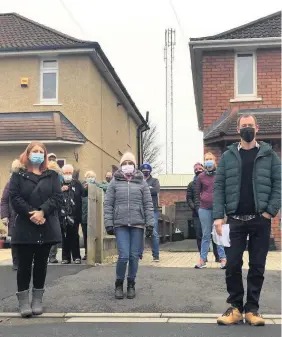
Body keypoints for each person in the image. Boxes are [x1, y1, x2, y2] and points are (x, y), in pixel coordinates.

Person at [214, 114, 281, 326]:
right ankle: (235, 307)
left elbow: (278, 184)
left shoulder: (270, 156)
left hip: (260, 220)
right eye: (243, 126)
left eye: (250, 126)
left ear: (257, 128)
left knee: (257, 265)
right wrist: (218, 216)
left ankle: (252, 309)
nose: (247, 129)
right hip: (234, 220)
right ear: (238, 129)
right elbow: (219, 187)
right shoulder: (227, 156)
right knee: (232, 264)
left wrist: (270, 212)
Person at [9, 142, 62, 318]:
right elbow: (14, 197)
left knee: (41, 264)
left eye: (41, 152)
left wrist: (42, 212)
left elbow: (57, 197)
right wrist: (32, 214)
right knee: (24, 264)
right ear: (28, 153)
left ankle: (37, 299)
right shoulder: (18, 175)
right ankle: (23, 301)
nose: (38, 154)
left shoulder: (52, 175)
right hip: (25, 224)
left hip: (45, 225)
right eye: (35, 151)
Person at [104, 152, 154, 299]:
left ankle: (131, 283)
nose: (127, 165)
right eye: (124, 163)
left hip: (138, 224)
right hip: (120, 224)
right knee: (123, 256)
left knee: (134, 256)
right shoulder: (114, 181)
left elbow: (148, 204)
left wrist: (150, 223)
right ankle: (119, 283)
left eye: (129, 163)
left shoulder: (141, 182)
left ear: (134, 165)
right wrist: (108, 223)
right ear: (121, 165)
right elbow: (108, 204)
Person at [194, 152, 226, 270]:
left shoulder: (220, 175)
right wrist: (198, 208)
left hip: (218, 208)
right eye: (206, 159)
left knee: (219, 234)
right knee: (206, 235)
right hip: (204, 209)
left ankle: (223, 259)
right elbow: (196, 194)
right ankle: (202, 259)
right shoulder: (200, 177)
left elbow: (224, 192)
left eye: (210, 159)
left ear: (214, 160)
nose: (208, 161)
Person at [186, 162, 219, 262]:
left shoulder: (210, 179)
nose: (198, 170)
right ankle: (203, 257)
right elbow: (190, 198)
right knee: (201, 235)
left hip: (208, 209)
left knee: (214, 234)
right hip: (197, 213)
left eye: (199, 169)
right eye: (196, 169)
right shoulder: (191, 185)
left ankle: (218, 256)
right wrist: (196, 208)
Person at [60, 164, 85, 264]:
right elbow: (53, 195)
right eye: (66, 173)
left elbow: (83, 193)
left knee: (74, 236)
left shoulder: (77, 183)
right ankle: (65, 258)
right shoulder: (58, 184)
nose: (67, 175)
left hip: (75, 215)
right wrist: (60, 190)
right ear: (62, 174)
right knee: (64, 236)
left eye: (69, 173)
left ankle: (76, 256)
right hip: (62, 215)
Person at [140, 163, 160, 262]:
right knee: (139, 232)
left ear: (150, 171)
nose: (145, 172)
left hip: (153, 210)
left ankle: (156, 255)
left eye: (147, 171)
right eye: (143, 171)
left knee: (154, 232)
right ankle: (139, 254)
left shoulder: (155, 181)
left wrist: (144, 189)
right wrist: (148, 188)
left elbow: (156, 190)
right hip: (140, 209)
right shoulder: (138, 181)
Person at [1, 171, 18, 270]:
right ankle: (16, 262)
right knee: (14, 241)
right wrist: (4, 216)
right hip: (13, 218)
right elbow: (4, 201)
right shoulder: (9, 185)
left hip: (25, 217)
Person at [47, 153, 62, 264]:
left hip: (55, 208)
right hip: (43, 208)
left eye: (54, 159)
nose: (52, 160)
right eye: (50, 159)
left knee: (54, 232)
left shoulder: (59, 177)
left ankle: (52, 256)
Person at [81, 170, 96, 260]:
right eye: (88, 177)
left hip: (94, 217)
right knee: (86, 236)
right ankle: (87, 253)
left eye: (92, 176)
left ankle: (94, 253)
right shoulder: (82, 188)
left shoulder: (97, 187)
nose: (90, 178)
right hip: (84, 217)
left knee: (94, 236)